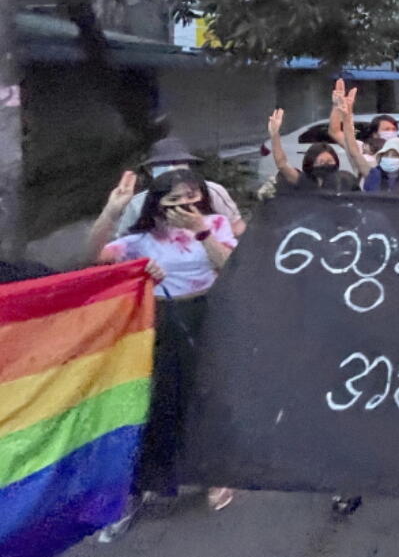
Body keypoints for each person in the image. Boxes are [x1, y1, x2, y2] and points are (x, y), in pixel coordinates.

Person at [88, 169, 238, 538]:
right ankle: (140, 484)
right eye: (176, 199)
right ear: (157, 203)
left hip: (205, 316)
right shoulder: (141, 239)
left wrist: (201, 230)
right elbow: (93, 257)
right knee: (153, 402)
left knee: (205, 397)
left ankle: (215, 473)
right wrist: (110, 213)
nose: (186, 206)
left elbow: (231, 267)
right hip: (155, 322)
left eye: (193, 197)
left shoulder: (215, 224)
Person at [115, 137, 245, 237]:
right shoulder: (137, 202)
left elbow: (237, 228)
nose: (172, 168)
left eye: (178, 163)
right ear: (150, 170)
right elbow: (124, 240)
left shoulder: (213, 191)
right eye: (164, 164)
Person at [267, 108, 358, 193]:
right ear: (311, 163)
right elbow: (281, 164)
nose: (326, 165)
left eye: (330, 161)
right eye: (321, 162)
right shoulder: (303, 180)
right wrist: (275, 135)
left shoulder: (345, 179)